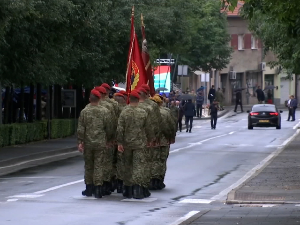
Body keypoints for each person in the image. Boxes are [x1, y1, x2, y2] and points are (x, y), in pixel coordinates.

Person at [116, 90, 154, 199]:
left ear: (129, 99)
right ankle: (137, 189)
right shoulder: (143, 112)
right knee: (138, 166)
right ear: (138, 100)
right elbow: (149, 128)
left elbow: (120, 129)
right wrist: (150, 139)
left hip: (127, 143)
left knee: (127, 166)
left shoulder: (124, 112)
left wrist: (119, 142)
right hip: (140, 143)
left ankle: (127, 189)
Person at [77, 89, 112, 198]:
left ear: (89, 99)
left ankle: (89, 188)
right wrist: (109, 139)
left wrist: (80, 141)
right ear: (99, 99)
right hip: (100, 142)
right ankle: (98, 189)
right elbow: (109, 128)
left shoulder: (84, 111)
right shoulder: (104, 111)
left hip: (88, 143)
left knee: (88, 166)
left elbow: (81, 128)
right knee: (99, 165)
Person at [151, 95, 175, 190]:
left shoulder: (150, 112)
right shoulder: (166, 112)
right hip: (164, 140)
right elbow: (171, 126)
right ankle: (159, 180)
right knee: (162, 160)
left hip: (152, 141)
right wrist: (171, 137)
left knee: (152, 160)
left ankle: (152, 180)